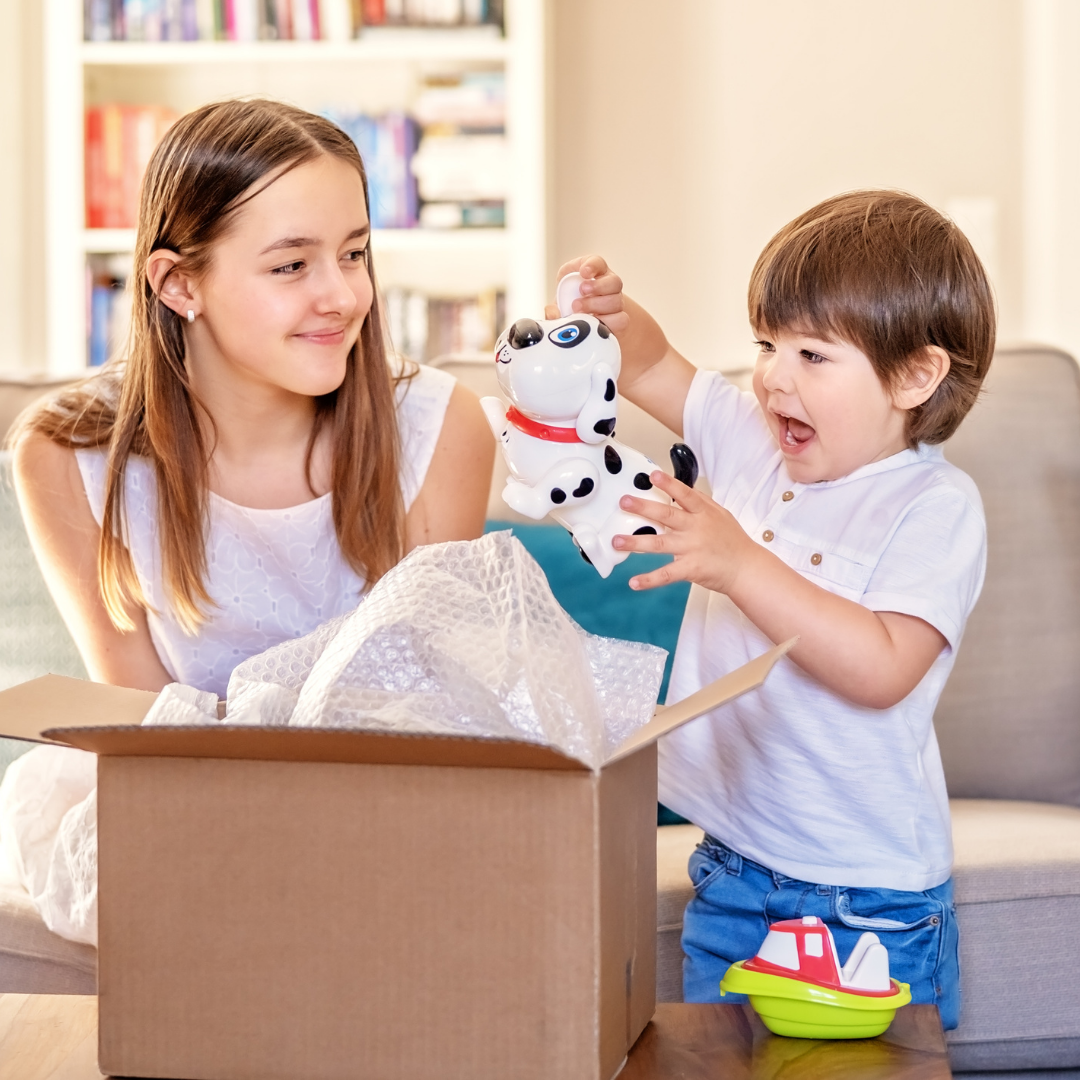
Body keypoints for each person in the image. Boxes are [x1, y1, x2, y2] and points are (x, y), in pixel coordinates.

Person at [0, 98, 494, 944]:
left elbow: (422, 706)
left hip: (390, 802)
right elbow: (138, 713)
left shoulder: (442, 426)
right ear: (178, 283)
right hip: (180, 800)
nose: (342, 295)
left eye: (353, 253)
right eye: (291, 266)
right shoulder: (66, 454)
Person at [549, 191, 994, 1028]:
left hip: (869, 899)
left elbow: (884, 667)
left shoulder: (934, 506)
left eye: (813, 354)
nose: (773, 376)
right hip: (734, 867)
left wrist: (741, 563)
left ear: (915, 375)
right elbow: (647, 366)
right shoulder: (756, 439)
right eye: (766, 343)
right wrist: (611, 313)